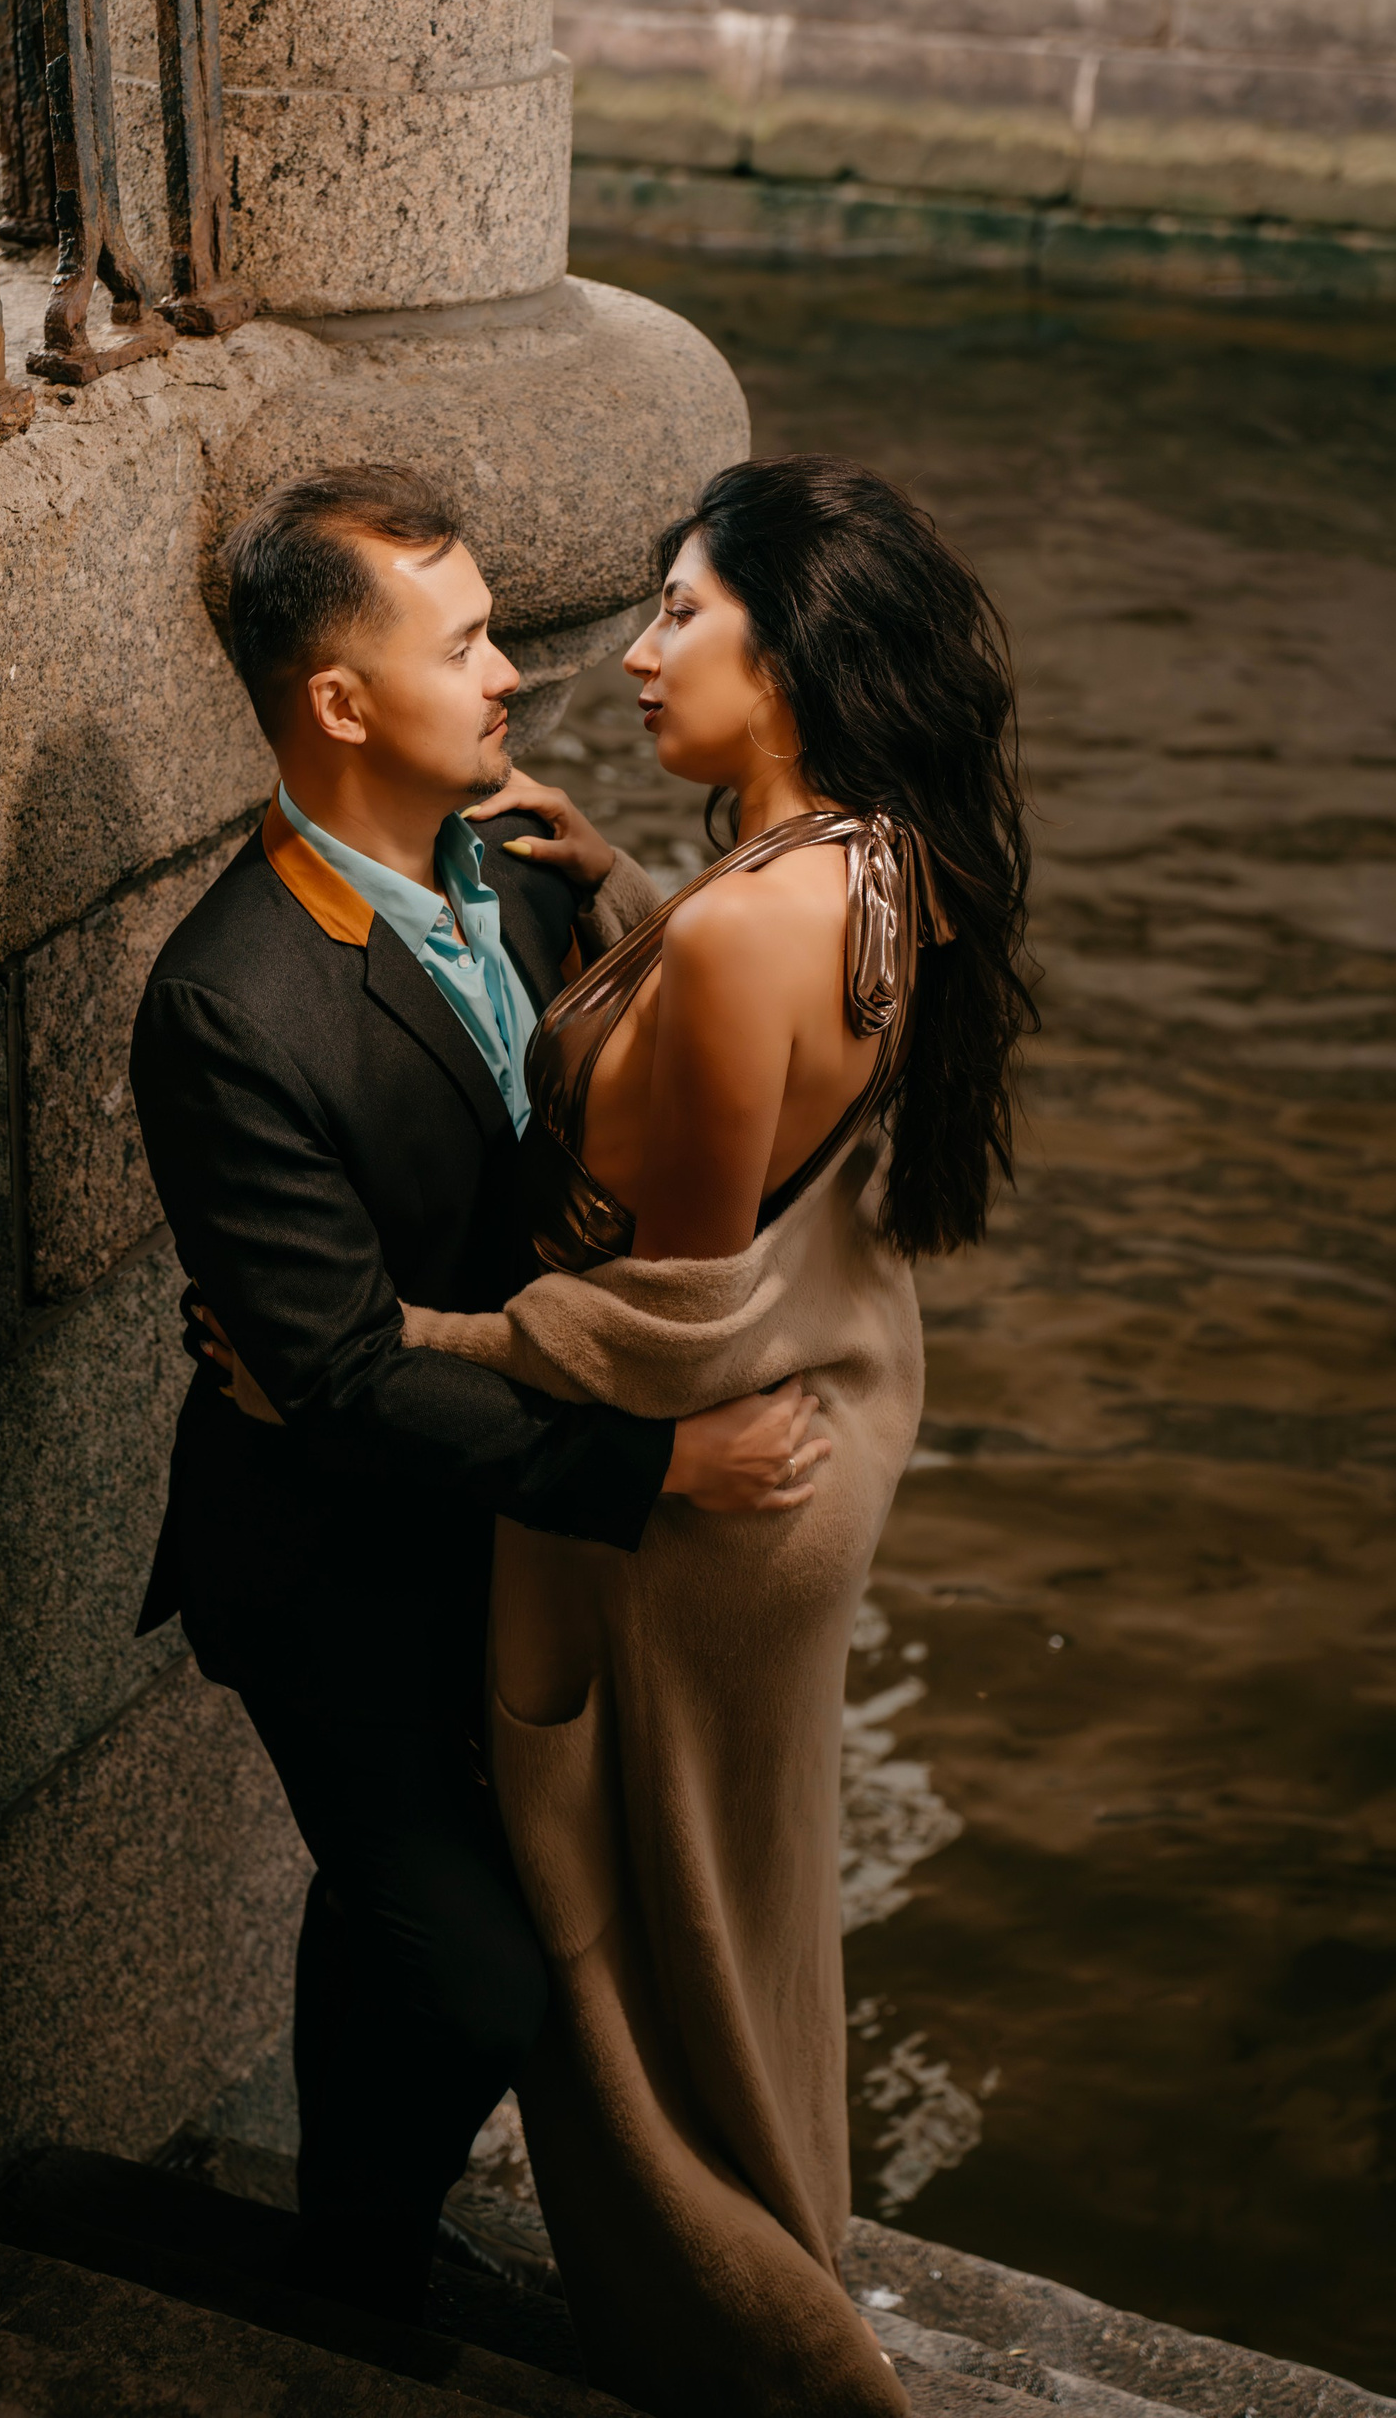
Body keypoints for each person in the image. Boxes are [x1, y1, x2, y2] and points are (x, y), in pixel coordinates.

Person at [126, 463, 825, 2326]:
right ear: (341, 702)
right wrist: (659, 1463)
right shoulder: (227, 1003)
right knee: (484, 1975)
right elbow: (341, 1383)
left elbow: (605, 1128)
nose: (513, 671)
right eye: (464, 645)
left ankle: (350, 2250)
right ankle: (347, 2292)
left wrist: (628, 908)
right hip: (332, 1555)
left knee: (407, 1921)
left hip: (508, 1527)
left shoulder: (518, 866)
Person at [392, 455, 1036, 2417]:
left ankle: (767, 2356)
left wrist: (404, 1336)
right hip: (813, 1454)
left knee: (640, 1953)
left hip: (705, 1502)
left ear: (800, 654)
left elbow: (669, 1321)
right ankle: (785, 2254)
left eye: (684, 613)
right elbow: (752, 1074)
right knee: (746, 1917)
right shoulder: (882, 865)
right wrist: (631, 902)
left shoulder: (752, 930)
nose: (638, 652)